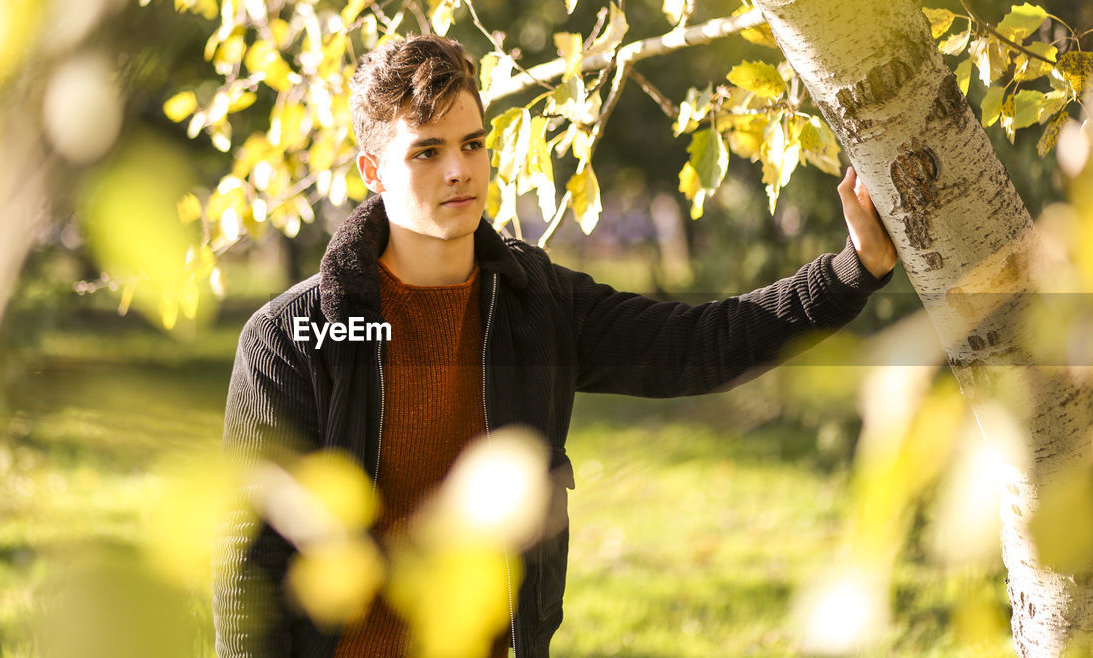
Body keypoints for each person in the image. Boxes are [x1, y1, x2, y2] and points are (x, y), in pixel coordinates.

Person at [214, 34, 897, 658]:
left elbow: (701, 344)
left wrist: (851, 272)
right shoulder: (292, 338)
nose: (459, 170)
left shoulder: (533, 303)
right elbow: (250, 572)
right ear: (373, 169)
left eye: (472, 144)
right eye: (427, 151)